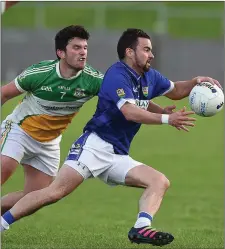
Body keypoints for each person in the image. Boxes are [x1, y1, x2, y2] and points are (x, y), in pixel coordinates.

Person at [1, 28, 221, 246]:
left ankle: (141, 228)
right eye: (146, 50)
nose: (151, 55)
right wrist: (166, 119)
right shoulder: (116, 75)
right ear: (130, 52)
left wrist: (194, 82)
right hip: (90, 145)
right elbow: (129, 111)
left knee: (159, 181)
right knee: (53, 193)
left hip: (114, 152)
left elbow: (174, 90)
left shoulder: (147, 77)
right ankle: (2, 224)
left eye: (151, 50)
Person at [1, 25, 104, 214]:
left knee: (34, 198)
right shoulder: (40, 73)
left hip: (49, 143)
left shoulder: (93, 80)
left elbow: (125, 99)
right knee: (3, 169)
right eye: (76, 47)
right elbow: (4, 94)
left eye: (85, 48)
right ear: (61, 53)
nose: (83, 53)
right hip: (19, 130)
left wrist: (160, 111)